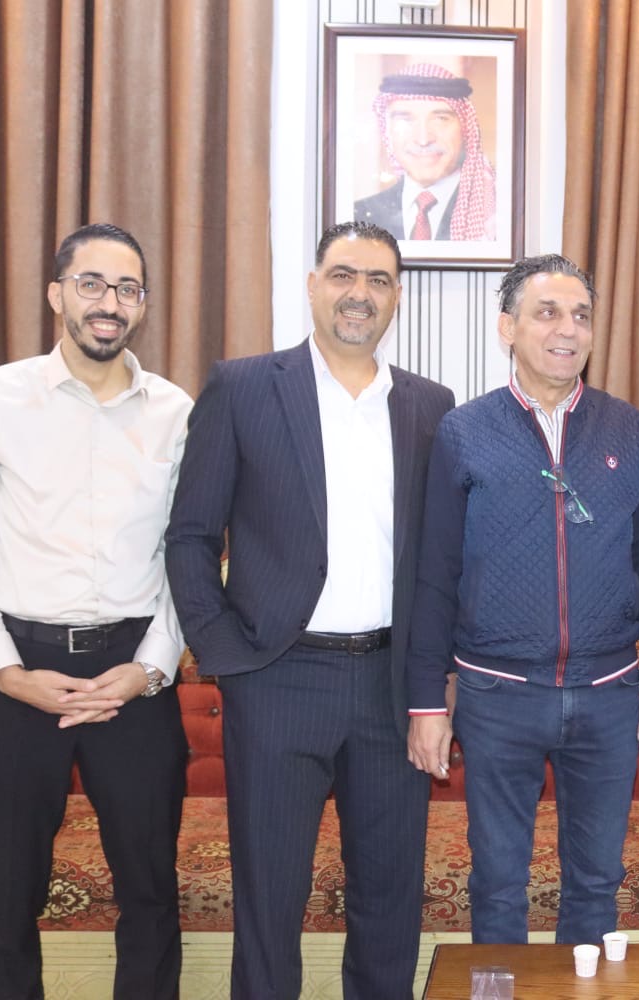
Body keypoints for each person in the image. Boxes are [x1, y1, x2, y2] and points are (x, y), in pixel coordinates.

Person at [165, 221, 454, 999]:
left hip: (391, 686)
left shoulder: (429, 406)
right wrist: (228, 656)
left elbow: (440, 562)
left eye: (379, 280)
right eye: (343, 275)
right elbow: (191, 535)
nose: (360, 293)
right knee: (269, 904)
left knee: (389, 906)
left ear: (397, 297)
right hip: (277, 679)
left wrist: (435, 684)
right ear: (313, 285)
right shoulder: (243, 387)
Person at [0, 223, 191, 998]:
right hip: (15, 677)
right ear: (57, 294)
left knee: (151, 896)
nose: (110, 303)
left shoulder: (176, 412)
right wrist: (8, 674)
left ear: (143, 304)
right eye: (92, 284)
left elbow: (188, 558)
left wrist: (149, 670)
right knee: (6, 905)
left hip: (132, 679)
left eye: (127, 288)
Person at [406, 253, 639, 944]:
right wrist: (428, 701)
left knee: (596, 882)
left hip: (609, 694)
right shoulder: (464, 431)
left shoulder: (629, 429)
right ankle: (501, 992)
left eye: (581, 315)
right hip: (496, 695)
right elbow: (434, 575)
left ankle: (580, 991)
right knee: (498, 884)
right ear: (508, 327)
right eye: (547, 312)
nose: (567, 329)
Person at [353, 63, 498, 242]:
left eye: (441, 119)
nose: (423, 139)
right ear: (388, 131)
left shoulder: (497, 215)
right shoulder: (358, 216)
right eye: (405, 120)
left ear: (465, 129)